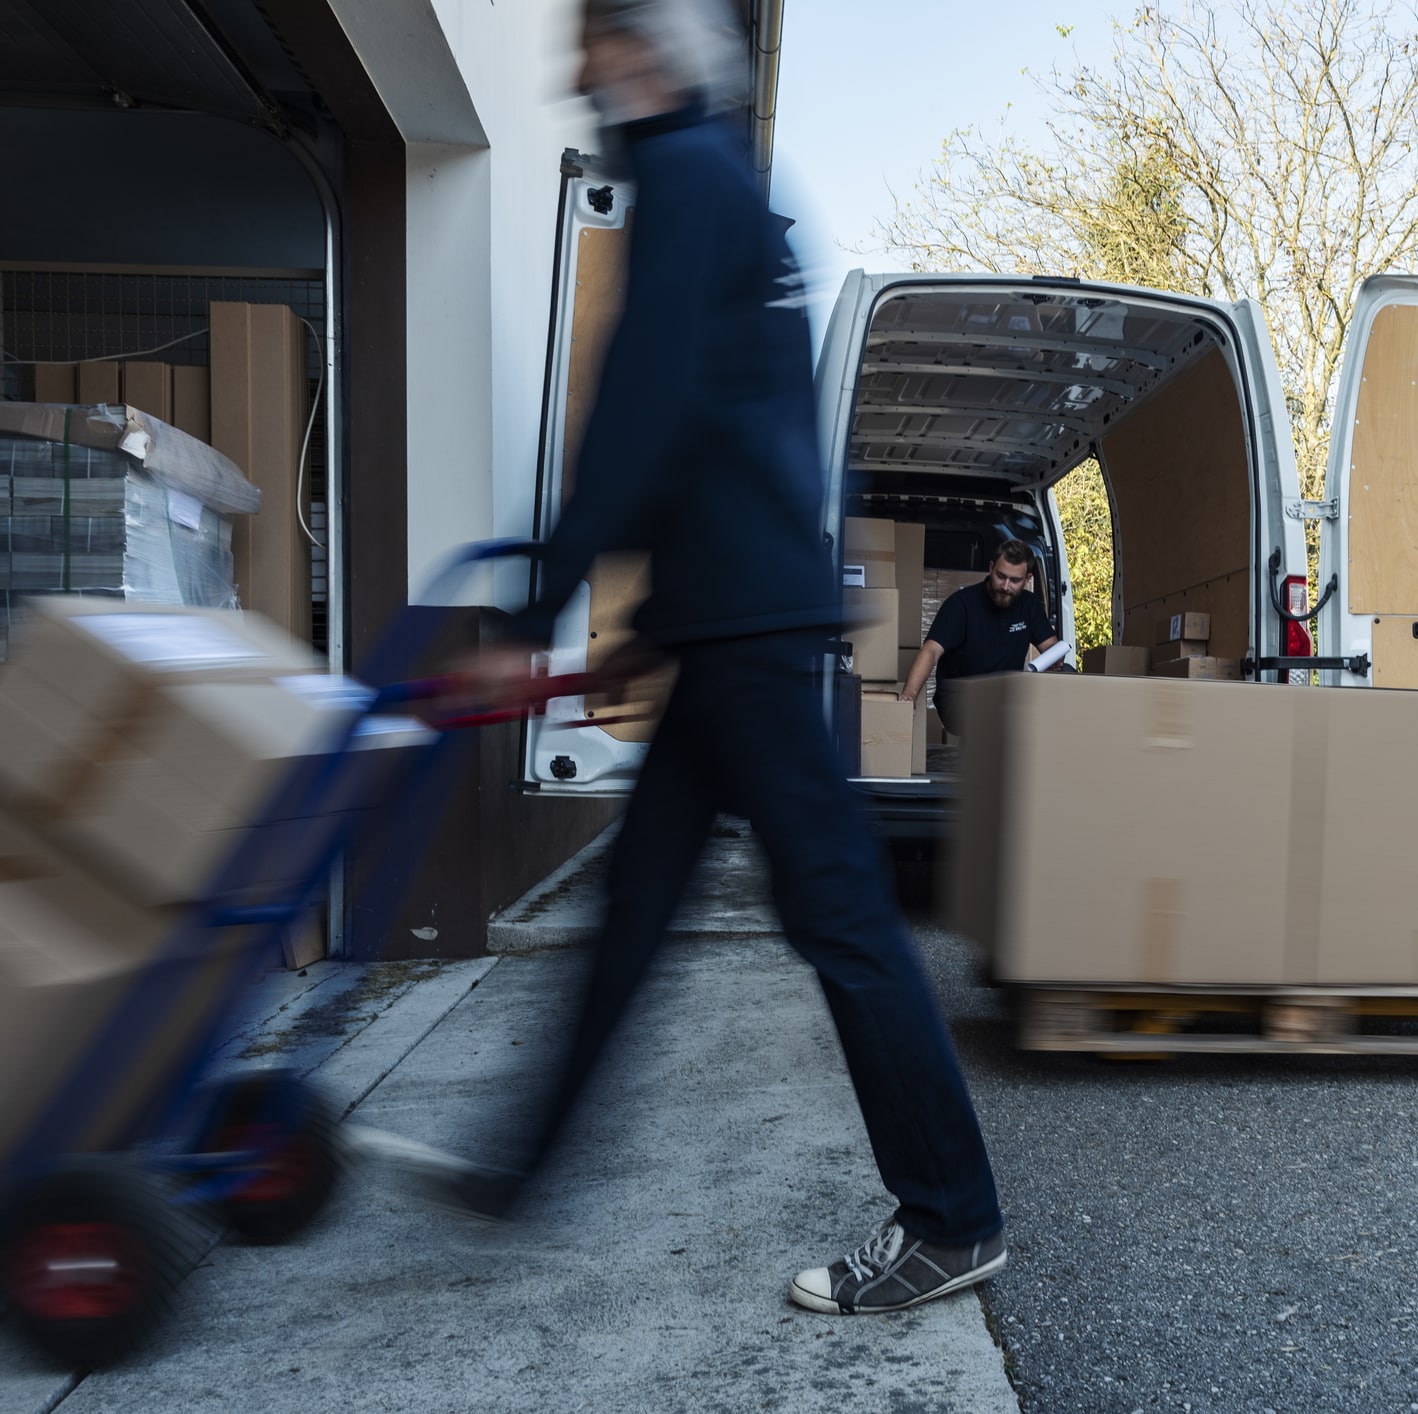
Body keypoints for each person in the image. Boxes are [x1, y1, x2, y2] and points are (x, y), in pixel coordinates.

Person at [433, 0, 1005, 1316]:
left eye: (588, 49)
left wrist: (534, 619)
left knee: (842, 921)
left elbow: (641, 405)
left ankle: (953, 1216)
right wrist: (636, 622)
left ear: (639, 58)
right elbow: (719, 434)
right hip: (720, 623)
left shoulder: (686, 181)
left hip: (742, 633)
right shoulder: (720, 189)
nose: (572, 74)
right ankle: (520, 1169)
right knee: (633, 912)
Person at [896, 540, 1062, 737]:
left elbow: (1050, 646)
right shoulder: (962, 604)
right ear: (991, 568)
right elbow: (931, 650)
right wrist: (909, 696)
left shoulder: (1029, 606)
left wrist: (1056, 657)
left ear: (1027, 579)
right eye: (1001, 576)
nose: (1005, 586)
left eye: (1014, 580)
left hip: (1004, 697)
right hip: (960, 698)